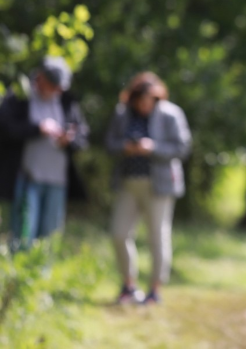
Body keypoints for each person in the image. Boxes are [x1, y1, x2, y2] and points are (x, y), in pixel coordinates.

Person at [105, 72, 191, 305]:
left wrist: (152, 148)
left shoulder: (170, 113)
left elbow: (182, 148)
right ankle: (129, 286)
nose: (143, 106)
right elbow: (109, 143)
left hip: (159, 186)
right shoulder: (122, 113)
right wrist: (126, 147)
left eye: (148, 101)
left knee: (157, 237)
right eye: (139, 101)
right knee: (119, 233)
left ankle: (154, 291)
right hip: (128, 183)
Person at [0, 56, 89, 248]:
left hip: (57, 181)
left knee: (50, 236)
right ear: (40, 78)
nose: (57, 91)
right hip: (26, 177)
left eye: (60, 87)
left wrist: (69, 140)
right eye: (53, 85)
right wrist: (37, 129)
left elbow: (82, 135)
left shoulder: (66, 101)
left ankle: (44, 275)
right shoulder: (20, 95)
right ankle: (19, 274)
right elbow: (6, 130)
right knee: (23, 235)